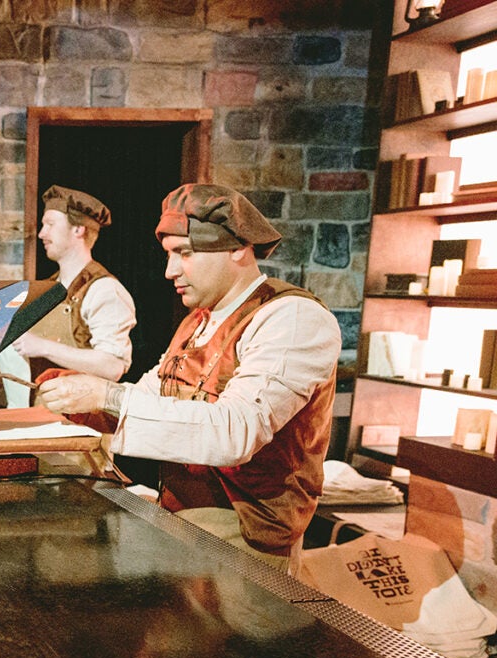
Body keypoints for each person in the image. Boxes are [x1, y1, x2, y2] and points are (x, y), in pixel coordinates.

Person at [37, 183, 340, 574]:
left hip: (247, 542)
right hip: (186, 525)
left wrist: (107, 397)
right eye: (169, 254)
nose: (170, 271)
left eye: (185, 253)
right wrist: (80, 400)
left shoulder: (292, 317)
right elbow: (148, 396)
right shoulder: (197, 321)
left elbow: (237, 431)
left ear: (237, 248)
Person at [12, 186, 136, 396]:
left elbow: (112, 365)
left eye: (50, 224)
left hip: (79, 413)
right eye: (43, 225)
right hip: (40, 409)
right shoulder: (47, 288)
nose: (42, 233)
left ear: (78, 229)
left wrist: (42, 347)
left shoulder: (103, 290)